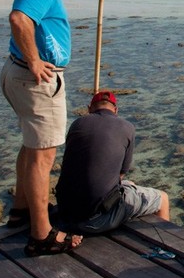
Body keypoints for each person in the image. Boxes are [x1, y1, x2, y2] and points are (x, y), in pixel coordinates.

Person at [0, 0, 106, 256]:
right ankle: (41, 234)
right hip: (36, 79)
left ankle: (21, 211)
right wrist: (35, 61)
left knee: (33, 147)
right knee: (44, 156)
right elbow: (19, 18)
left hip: (16, 74)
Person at [55, 90, 170, 234]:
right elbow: (121, 173)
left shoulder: (77, 124)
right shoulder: (127, 127)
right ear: (116, 110)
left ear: (89, 108)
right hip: (95, 220)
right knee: (163, 199)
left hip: (65, 213)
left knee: (130, 185)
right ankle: (167, 248)